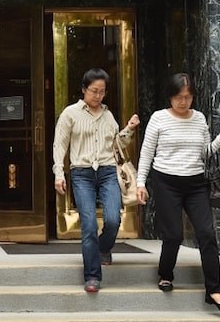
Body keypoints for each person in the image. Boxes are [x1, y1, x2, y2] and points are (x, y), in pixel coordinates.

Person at [136, 73, 220, 312]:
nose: (183, 102)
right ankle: (165, 273)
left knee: (207, 234)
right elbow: (147, 153)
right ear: (171, 96)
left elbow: (205, 152)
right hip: (166, 182)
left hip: (195, 183)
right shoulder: (159, 118)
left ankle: (214, 291)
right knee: (173, 235)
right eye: (179, 97)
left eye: (188, 97)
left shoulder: (199, 118)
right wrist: (140, 183)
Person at [52, 68, 140, 293]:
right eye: (93, 91)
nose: (98, 96)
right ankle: (92, 276)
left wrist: (129, 129)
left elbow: (117, 144)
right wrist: (59, 173)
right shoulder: (70, 114)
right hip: (82, 173)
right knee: (89, 224)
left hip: (108, 171)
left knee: (112, 220)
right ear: (84, 90)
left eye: (102, 92)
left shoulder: (108, 115)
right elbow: (59, 145)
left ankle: (103, 248)